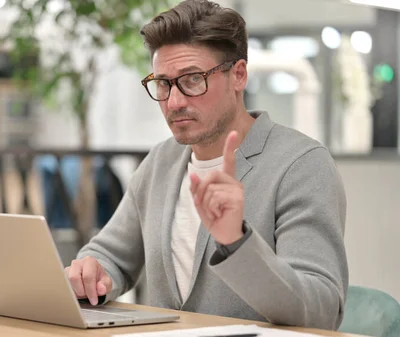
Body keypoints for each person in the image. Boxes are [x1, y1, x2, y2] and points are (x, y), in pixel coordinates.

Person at [65, 0, 348, 331]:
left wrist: (236, 242)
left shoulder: (301, 165)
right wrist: (92, 271)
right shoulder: (162, 160)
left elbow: (321, 309)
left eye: (193, 79)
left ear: (238, 75)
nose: (174, 101)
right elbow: (111, 255)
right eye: (163, 83)